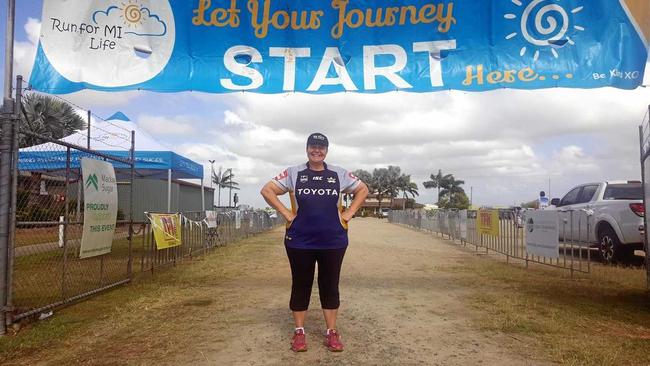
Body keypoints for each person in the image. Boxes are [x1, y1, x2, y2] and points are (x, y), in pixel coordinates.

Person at [260, 132, 369, 353]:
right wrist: (287, 214)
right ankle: (299, 332)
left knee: (330, 285)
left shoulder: (338, 173)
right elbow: (267, 190)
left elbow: (362, 189)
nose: (316, 150)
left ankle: (331, 332)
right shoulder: (293, 172)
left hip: (334, 240)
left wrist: (348, 214)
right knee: (301, 284)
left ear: (326, 150)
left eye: (321, 147)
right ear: (307, 148)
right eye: (313, 146)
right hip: (299, 240)